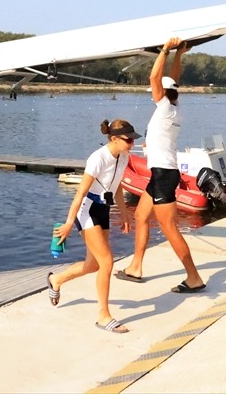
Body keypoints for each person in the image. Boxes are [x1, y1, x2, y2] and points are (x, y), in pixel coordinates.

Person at [117, 37, 206, 293]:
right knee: (140, 216)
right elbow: (171, 79)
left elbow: (154, 78)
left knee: (169, 227)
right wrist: (179, 54)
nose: (153, 94)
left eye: (157, 92)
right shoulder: (174, 106)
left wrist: (165, 50)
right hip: (161, 174)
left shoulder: (165, 107)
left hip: (164, 175)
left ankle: (194, 277)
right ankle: (136, 267)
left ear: (163, 94)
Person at [46, 119, 140, 333]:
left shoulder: (124, 157)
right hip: (87, 210)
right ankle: (103, 316)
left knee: (93, 265)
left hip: (103, 210)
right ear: (114, 138)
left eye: (133, 140)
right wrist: (69, 223)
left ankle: (56, 280)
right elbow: (80, 193)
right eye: (128, 140)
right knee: (107, 262)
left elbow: (117, 186)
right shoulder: (98, 158)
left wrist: (124, 214)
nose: (132, 144)